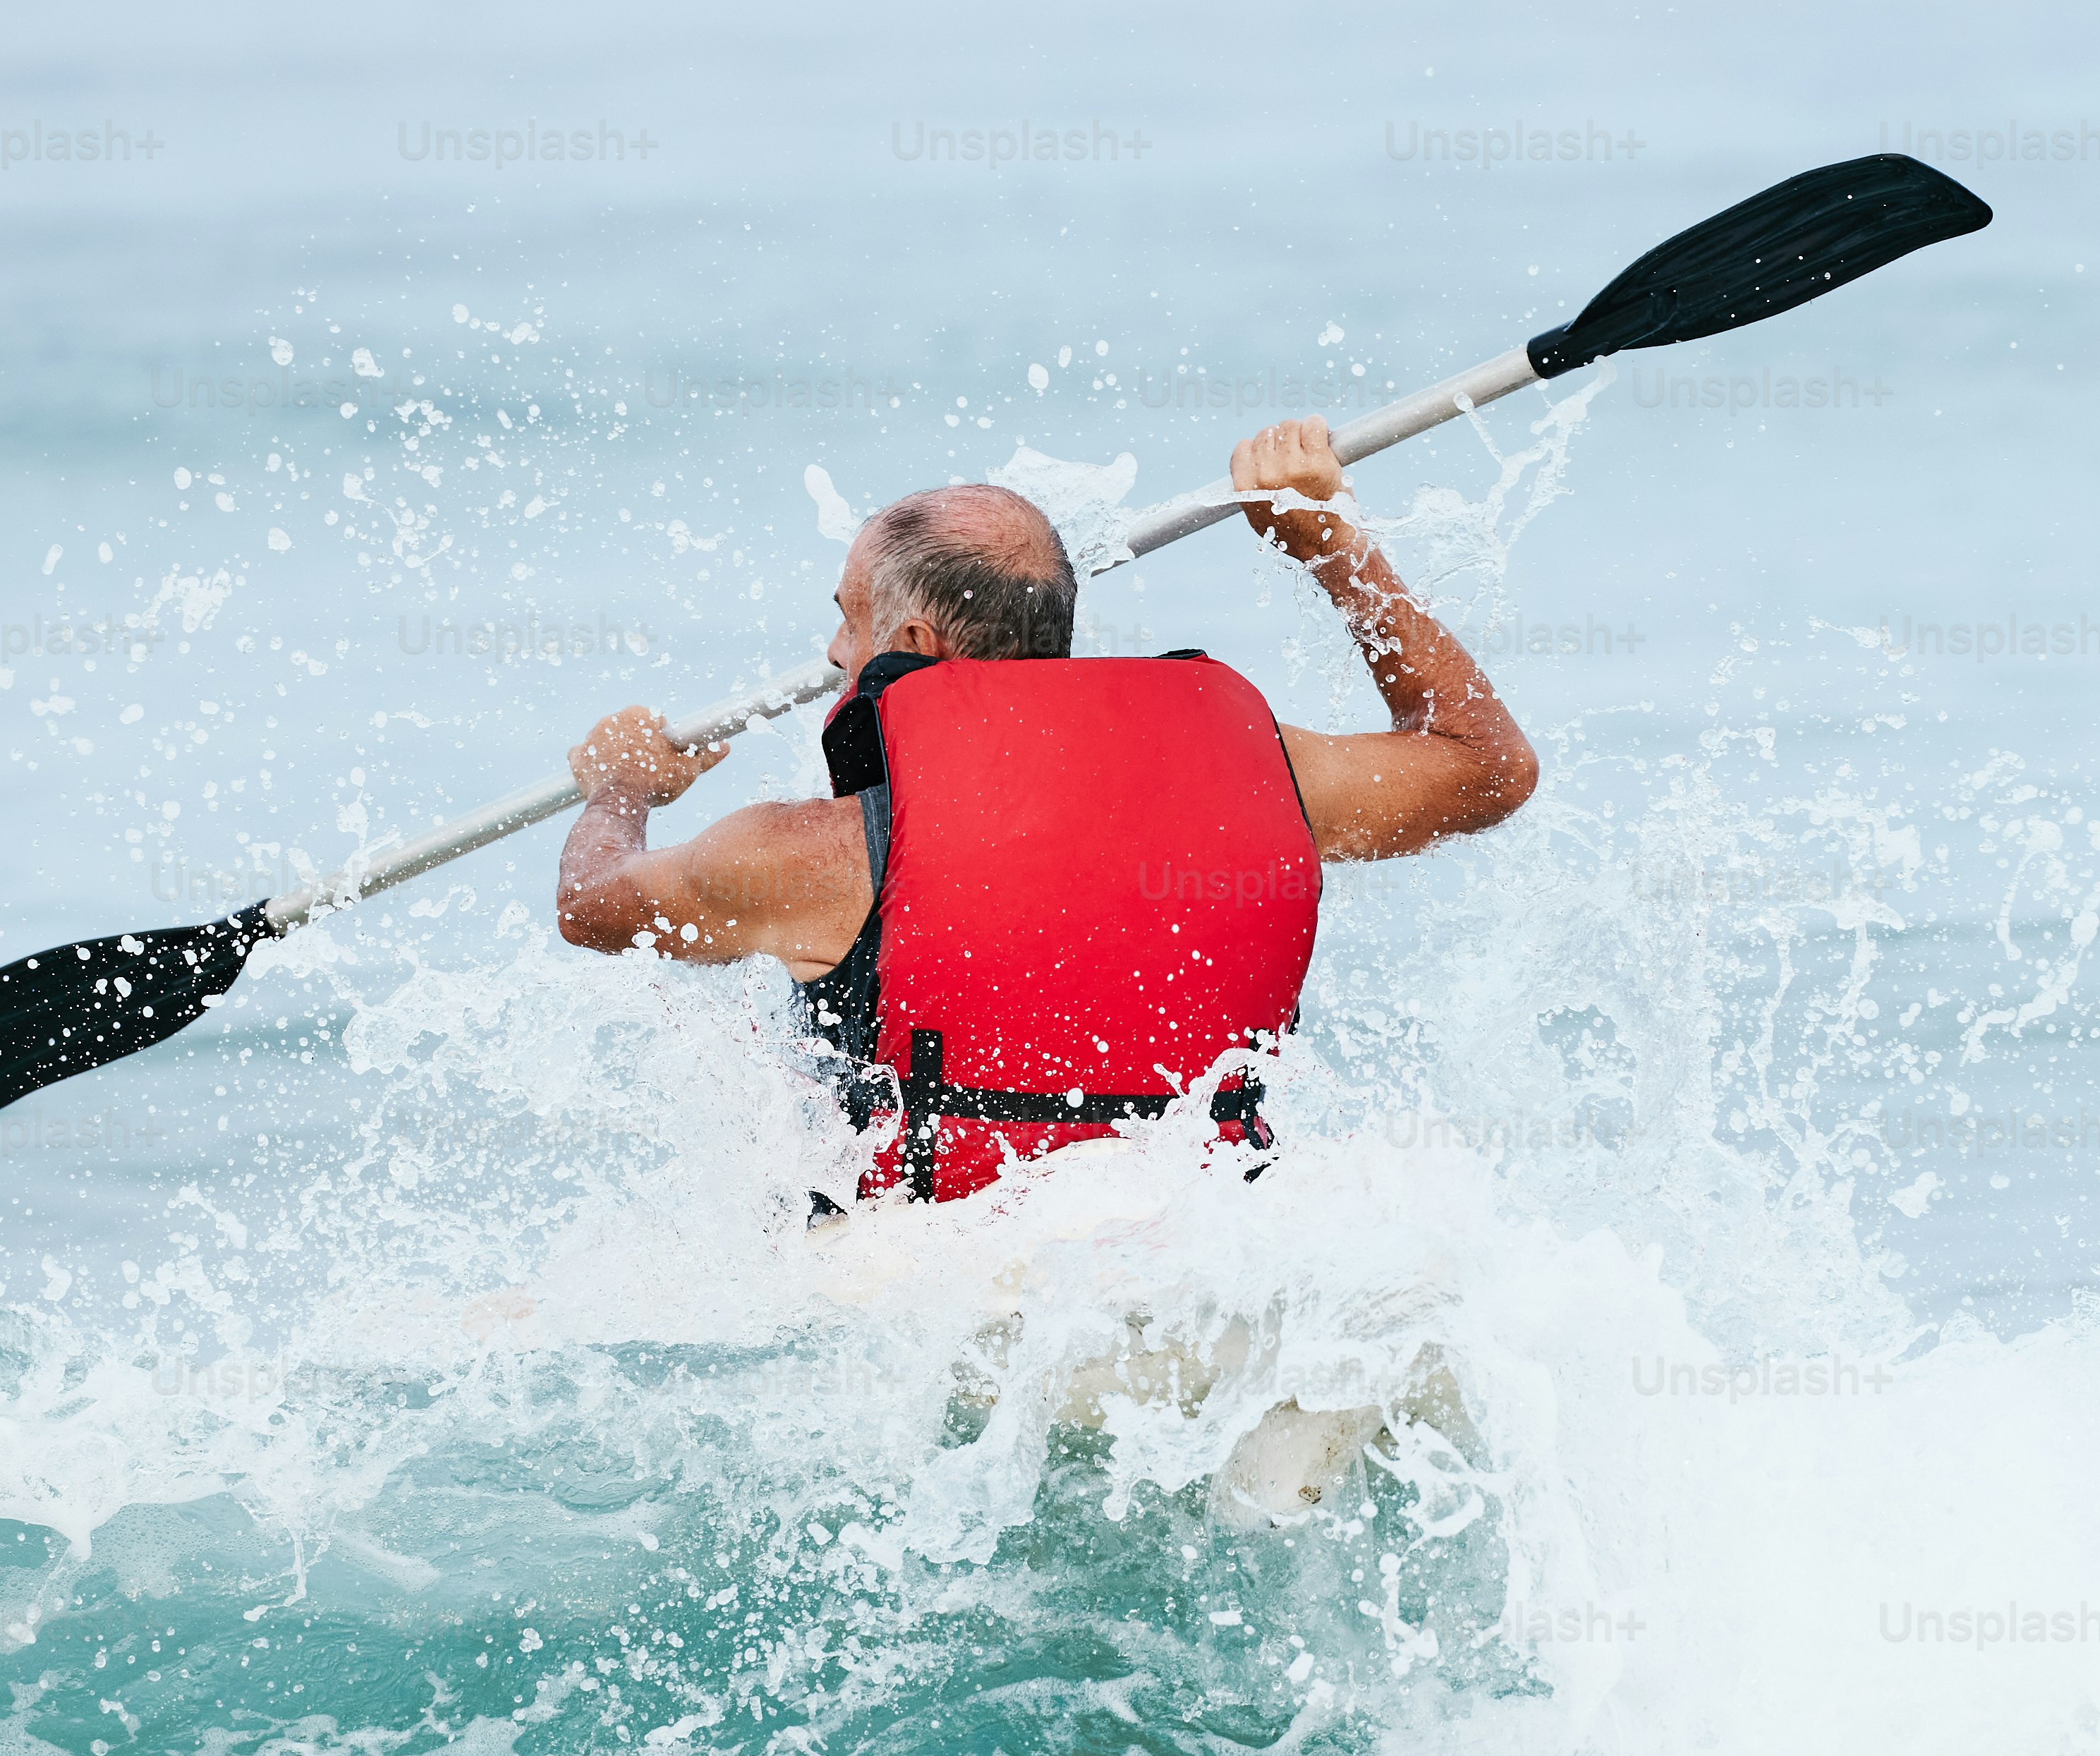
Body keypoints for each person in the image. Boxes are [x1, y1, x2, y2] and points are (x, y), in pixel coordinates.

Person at [557, 420, 1536, 1202]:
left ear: (912, 642)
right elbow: (1485, 764)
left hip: (919, 1289)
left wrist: (622, 785)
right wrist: (1330, 545)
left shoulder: (814, 854)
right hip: (1215, 1251)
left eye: (847, 617)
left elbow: (593, 903)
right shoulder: (1263, 774)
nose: (831, 652)